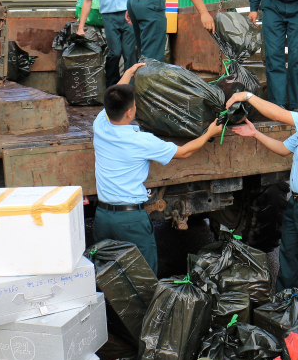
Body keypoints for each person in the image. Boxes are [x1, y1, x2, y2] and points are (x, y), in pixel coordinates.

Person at [92, 63, 223, 273]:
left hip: (103, 218)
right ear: (130, 112)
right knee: (142, 278)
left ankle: (108, 307)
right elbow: (184, 152)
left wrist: (128, 72)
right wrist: (209, 133)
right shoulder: (141, 141)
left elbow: (114, 98)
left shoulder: (100, 125)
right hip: (130, 222)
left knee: (109, 275)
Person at [226, 70, 298, 299]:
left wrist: (248, 96)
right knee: (288, 258)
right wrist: (256, 133)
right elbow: (283, 149)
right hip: (297, 204)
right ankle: (283, 305)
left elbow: (279, 115)